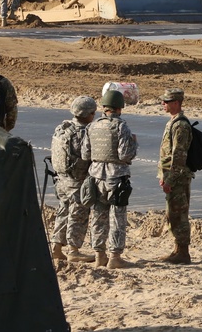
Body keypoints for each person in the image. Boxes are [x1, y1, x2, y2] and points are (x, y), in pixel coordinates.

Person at [81, 90, 138, 269]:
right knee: (117, 218)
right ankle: (115, 257)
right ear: (119, 107)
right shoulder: (121, 127)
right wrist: (134, 144)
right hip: (116, 177)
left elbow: (85, 154)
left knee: (98, 216)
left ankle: (99, 255)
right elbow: (124, 154)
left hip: (96, 177)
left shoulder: (92, 126)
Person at [50, 96, 98, 262]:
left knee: (63, 211)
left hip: (61, 179)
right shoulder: (85, 132)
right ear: (88, 114)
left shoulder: (62, 128)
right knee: (78, 215)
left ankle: (56, 247)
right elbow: (90, 155)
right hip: (78, 180)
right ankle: (74, 250)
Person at [157, 88, 194, 264]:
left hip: (177, 177)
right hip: (172, 175)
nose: (163, 104)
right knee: (173, 214)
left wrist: (170, 179)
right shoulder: (173, 122)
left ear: (176, 103)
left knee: (179, 215)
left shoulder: (180, 125)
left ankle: (183, 253)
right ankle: (178, 249)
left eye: (167, 101)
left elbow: (178, 155)